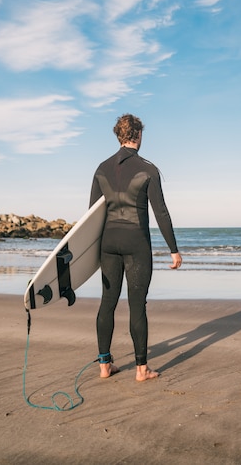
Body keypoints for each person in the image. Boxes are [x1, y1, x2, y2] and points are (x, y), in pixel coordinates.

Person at [89, 114, 182, 381]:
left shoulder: (101, 168)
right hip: (136, 243)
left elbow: (92, 216)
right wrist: (173, 249)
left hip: (108, 243)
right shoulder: (149, 169)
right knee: (137, 305)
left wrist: (90, 255)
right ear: (138, 135)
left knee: (107, 303)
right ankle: (142, 369)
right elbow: (161, 212)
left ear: (119, 136)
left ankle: (105, 366)